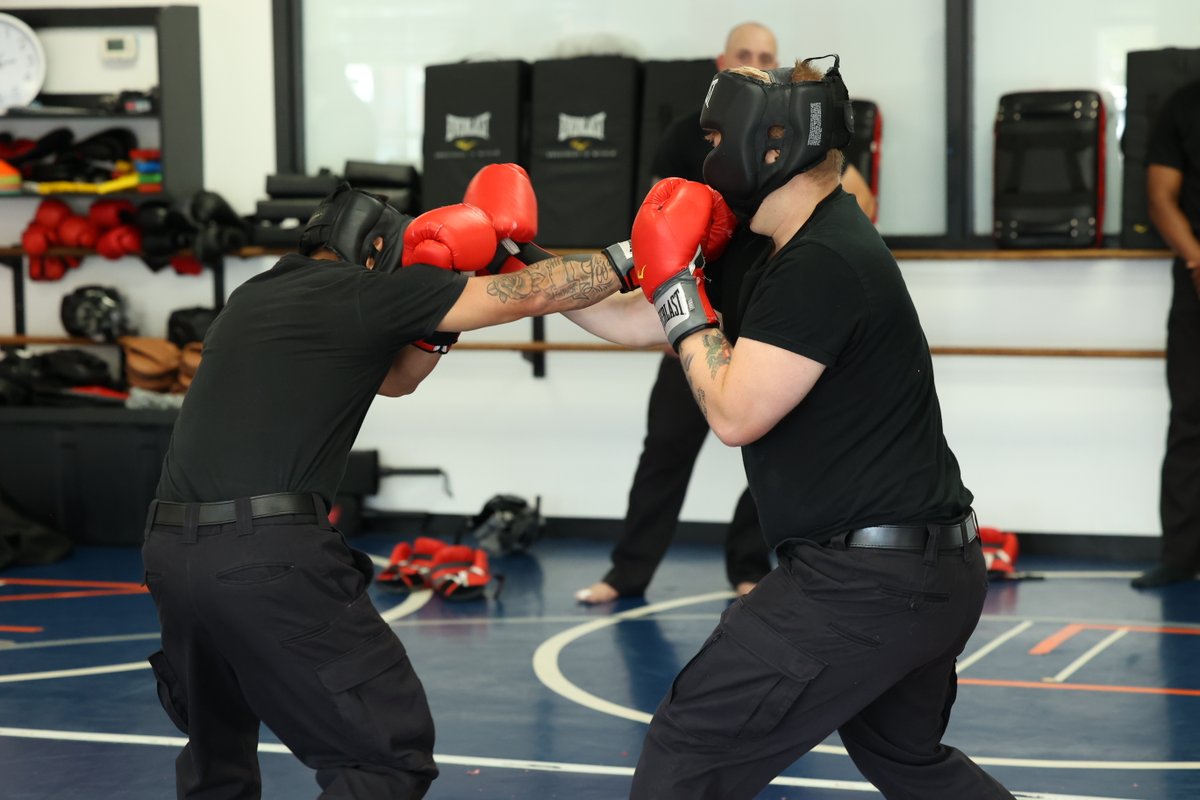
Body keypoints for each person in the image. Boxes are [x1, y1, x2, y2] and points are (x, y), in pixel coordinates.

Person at [565, 56, 1013, 798]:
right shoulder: (772, 248)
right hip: (924, 573)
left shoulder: (825, 261)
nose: (708, 154)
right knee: (907, 760)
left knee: (691, 743)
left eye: (719, 135)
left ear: (772, 146)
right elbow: (635, 320)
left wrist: (678, 291)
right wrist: (518, 271)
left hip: (867, 582)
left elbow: (735, 413)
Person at [140, 169, 624, 799]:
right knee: (385, 759)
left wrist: (438, 312)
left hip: (170, 553)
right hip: (265, 558)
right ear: (375, 252)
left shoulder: (252, 296)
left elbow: (396, 378)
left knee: (217, 752)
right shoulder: (360, 292)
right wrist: (634, 255)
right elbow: (529, 295)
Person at [574, 21, 876, 605]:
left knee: (772, 451)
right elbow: (659, 217)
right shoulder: (690, 135)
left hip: (771, 317)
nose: (755, 63)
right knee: (664, 451)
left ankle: (747, 564)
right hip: (697, 306)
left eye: (766, 57)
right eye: (745, 54)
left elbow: (854, 191)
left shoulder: (792, 135)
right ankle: (627, 573)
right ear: (721, 61)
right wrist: (673, 293)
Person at [1132, 79, 1200, 589]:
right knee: (1191, 420)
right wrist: (1197, 258)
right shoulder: (1185, 102)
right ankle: (1181, 556)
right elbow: (1160, 197)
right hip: (1198, 284)